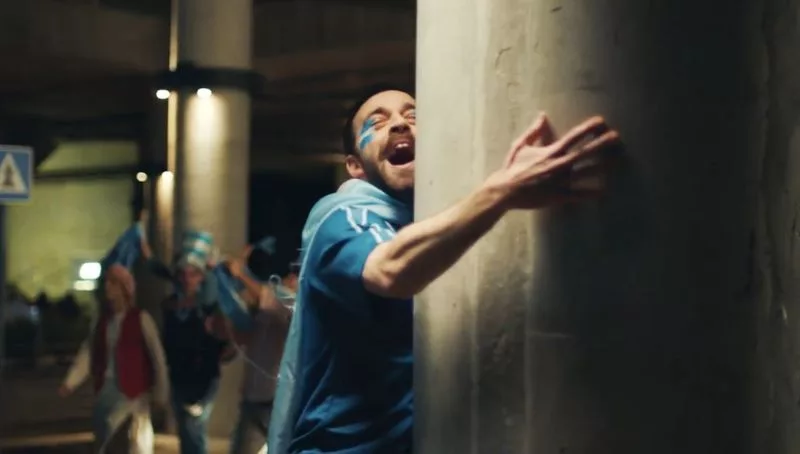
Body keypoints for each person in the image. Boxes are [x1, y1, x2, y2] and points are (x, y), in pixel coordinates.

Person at [267, 86, 621, 453]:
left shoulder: (430, 224)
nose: (400, 124)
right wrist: (504, 191)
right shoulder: (340, 216)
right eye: (378, 122)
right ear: (355, 166)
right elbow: (390, 270)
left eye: (412, 116)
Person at [59, 264, 169, 454]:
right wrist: (71, 381)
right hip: (106, 391)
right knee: (106, 441)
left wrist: (161, 393)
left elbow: (157, 357)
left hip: (133, 393)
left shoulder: (141, 319)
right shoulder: (102, 322)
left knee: (137, 442)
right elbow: (89, 352)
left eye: (114, 283)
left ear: (124, 288)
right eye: (107, 282)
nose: (108, 287)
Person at [143, 230, 234, 454]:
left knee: (194, 429)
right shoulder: (172, 304)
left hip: (203, 378)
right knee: (186, 432)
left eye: (193, 273)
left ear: (202, 276)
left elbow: (227, 340)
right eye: (183, 273)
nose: (187, 278)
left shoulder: (209, 305)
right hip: (178, 377)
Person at [205, 239, 297, 454]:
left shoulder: (292, 304)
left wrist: (239, 273)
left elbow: (266, 296)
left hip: (277, 401)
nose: (294, 280)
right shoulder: (266, 313)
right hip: (255, 398)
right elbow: (243, 338)